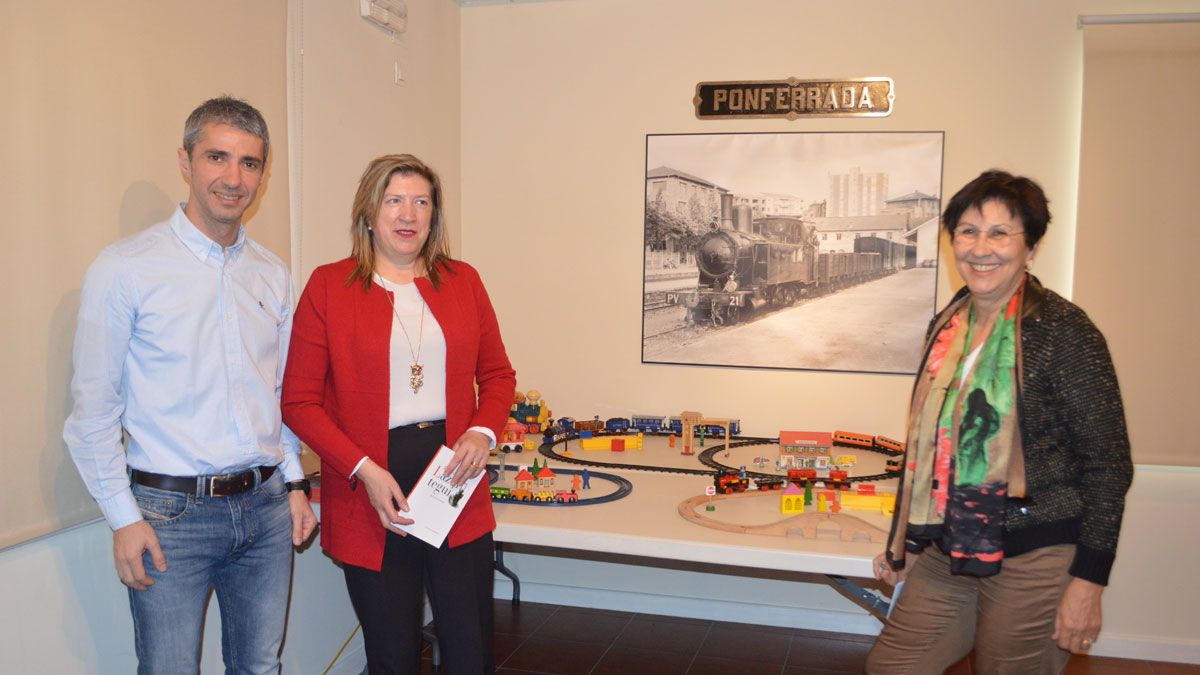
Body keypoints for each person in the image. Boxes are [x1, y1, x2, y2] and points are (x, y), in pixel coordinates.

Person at [63, 96, 317, 674]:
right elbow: (92, 415)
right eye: (217, 158)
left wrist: (296, 482)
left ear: (264, 172)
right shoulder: (125, 268)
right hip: (168, 517)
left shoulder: (272, 273)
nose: (233, 178)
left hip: (267, 507)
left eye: (250, 163)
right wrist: (124, 519)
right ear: (185, 161)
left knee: (259, 667)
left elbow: (278, 394)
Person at [865, 170, 1133, 674]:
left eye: (999, 233)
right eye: (967, 231)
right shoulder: (949, 323)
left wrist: (1088, 581)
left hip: (1036, 552)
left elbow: (1109, 465)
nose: (980, 247)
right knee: (892, 667)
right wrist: (913, 540)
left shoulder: (1064, 330)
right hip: (951, 542)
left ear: (1029, 245)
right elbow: (934, 445)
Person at [281, 154, 516, 674]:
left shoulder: (464, 281)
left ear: (434, 216)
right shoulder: (328, 287)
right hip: (371, 486)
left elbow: (498, 375)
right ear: (369, 212)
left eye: (421, 202)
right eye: (394, 200)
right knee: (391, 654)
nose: (408, 213)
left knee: (469, 646)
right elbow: (298, 400)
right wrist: (362, 467)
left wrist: (481, 433)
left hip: (454, 479)